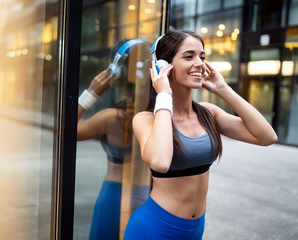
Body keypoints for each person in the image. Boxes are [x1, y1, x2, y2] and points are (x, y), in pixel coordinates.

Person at [123, 29, 278, 240]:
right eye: (189, 56)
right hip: (154, 228)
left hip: (195, 229)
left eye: (202, 56)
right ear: (163, 66)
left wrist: (223, 88)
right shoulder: (146, 119)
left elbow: (267, 137)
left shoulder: (208, 113)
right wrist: (164, 95)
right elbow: (159, 162)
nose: (200, 63)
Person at [77, 39, 152, 240]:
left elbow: (67, 132)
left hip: (114, 197)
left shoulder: (111, 117)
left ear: (115, 72)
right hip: (152, 198)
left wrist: (91, 93)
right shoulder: (160, 116)